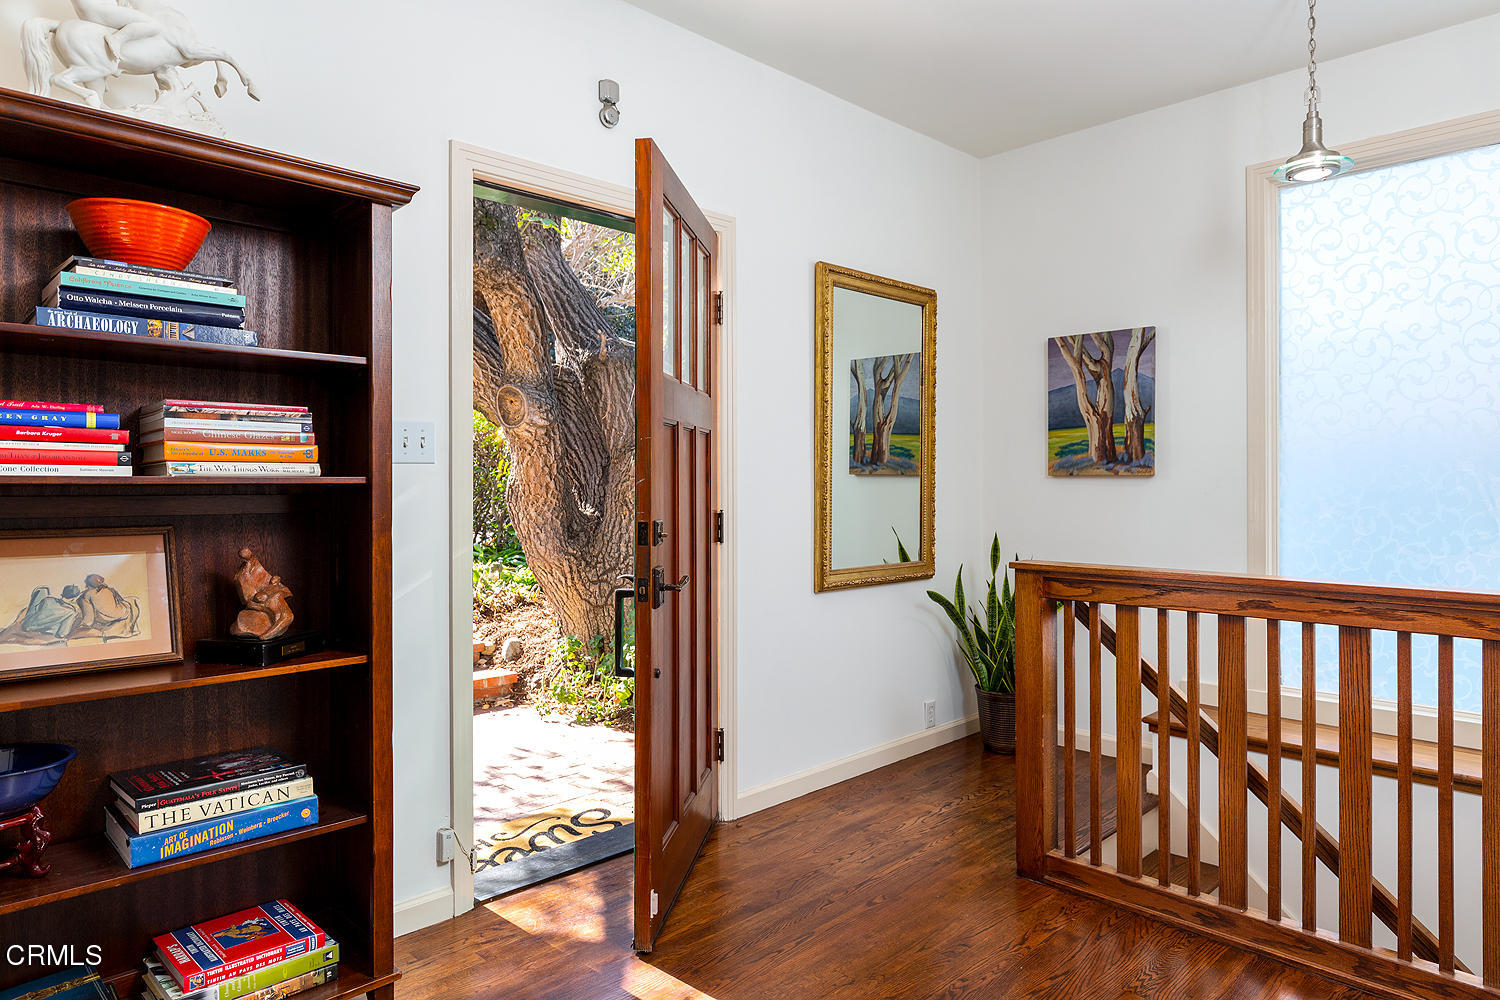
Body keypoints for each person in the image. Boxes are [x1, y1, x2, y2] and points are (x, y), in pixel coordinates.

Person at [75, 573, 141, 639]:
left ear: (87, 584)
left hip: (107, 618)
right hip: (123, 613)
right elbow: (120, 600)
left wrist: (81, 626)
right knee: (130, 600)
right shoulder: (109, 589)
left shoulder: (86, 595)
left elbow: (89, 619)